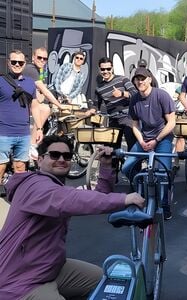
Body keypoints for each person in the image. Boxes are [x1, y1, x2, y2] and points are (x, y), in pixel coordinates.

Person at [0, 135, 144, 300]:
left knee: (104, 280)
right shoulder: (35, 185)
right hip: (20, 281)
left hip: (49, 268)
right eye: (54, 155)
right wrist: (125, 199)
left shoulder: (56, 187)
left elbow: (95, 197)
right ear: (39, 160)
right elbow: (71, 199)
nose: (61, 159)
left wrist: (105, 165)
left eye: (67, 156)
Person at [122, 67, 176, 220]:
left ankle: (165, 205)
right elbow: (134, 124)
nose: (140, 81)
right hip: (144, 140)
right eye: (137, 79)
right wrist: (141, 141)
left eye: (143, 78)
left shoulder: (161, 96)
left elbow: (171, 123)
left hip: (162, 139)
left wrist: (156, 140)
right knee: (126, 167)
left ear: (149, 79)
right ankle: (142, 192)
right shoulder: (134, 100)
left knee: (162, 174)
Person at [0, 49, 43, 196]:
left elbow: (35, 106)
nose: (17, 64)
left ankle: (18, 198)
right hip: (3, 132)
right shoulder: (1, 81)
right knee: (0, 167)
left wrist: (39, 128)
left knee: (20, 168)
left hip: (23, 133)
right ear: (8, 63)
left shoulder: (30, 83)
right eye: (14, 62)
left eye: (20, 62)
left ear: (25, 64)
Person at [23, 47, 63, 158]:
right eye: (39, 57)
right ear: (33, 57)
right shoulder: (31, 69)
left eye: (45, 59)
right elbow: (44, 91)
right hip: (19, 105)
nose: (42, 60)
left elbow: (41, 94)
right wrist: (59, 105)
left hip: (28, 103)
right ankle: (32, 145)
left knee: (44, 107)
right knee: (45, 109)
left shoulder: (39, 70)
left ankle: (34, 142)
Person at [93, 57, 138, 151]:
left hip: (127, 117)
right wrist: (91, 110)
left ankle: (133, 165)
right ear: (99, 69)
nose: (105, 71)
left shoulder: (122, 79)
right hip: (113, 119)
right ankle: (114, 164)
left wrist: (122, 94)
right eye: (103, 69)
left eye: (108, 69)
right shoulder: (99, 88)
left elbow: (136, 94)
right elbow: (96, 104)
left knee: (132, 148)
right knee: (111, 150)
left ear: (112, 68)